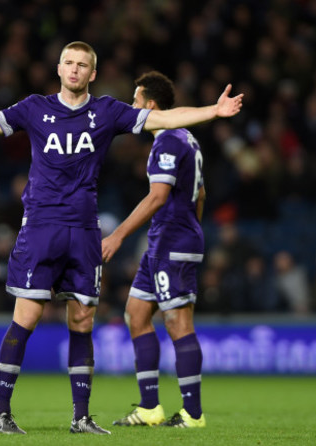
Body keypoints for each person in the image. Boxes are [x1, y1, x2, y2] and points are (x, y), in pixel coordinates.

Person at [0, 41, 242, 434]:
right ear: (59, 69)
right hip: (40, 225)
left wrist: (214, 110)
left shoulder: (108, 111)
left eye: (82, 65)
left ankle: (81, 417)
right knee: (28, 314)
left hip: (85, 230)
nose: (74, 70)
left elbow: (165, 119)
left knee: (83, 319)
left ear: (92, 73)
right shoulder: (34, 108)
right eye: (68, 63)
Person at [101, 71, 208, 428]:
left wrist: (116, 235)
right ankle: (150, 408)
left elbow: (158, 196)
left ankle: (193, 414)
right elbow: (201, 194)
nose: (131, 108)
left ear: (150, 105)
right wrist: (191, 228)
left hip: (171, 241)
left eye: (135, 101)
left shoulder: (167, 141)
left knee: (178, 321)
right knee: (136, 312)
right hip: (167, 239)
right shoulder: (186, 136)